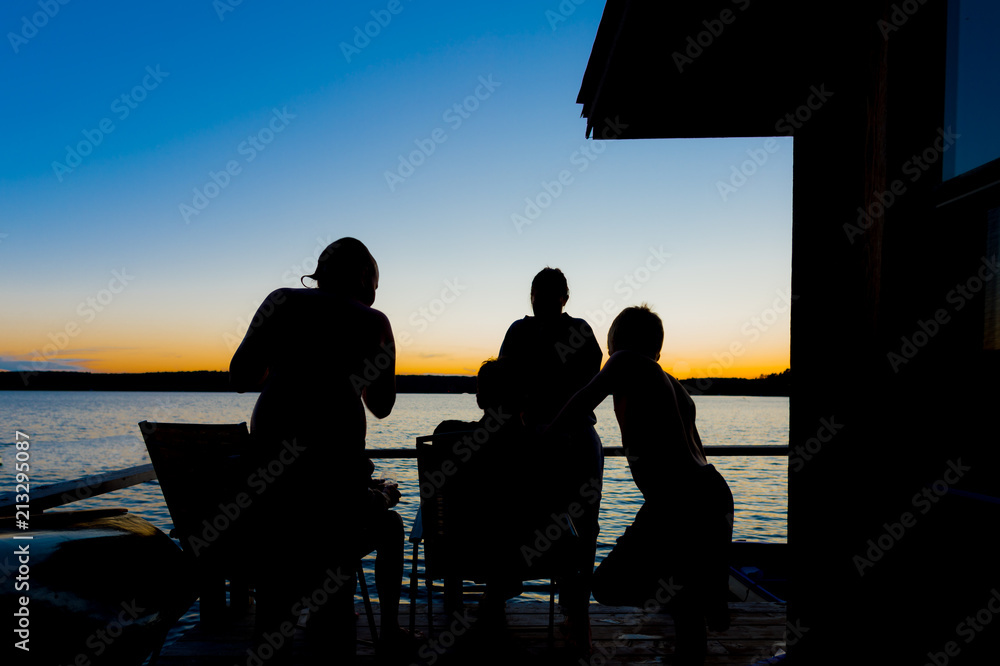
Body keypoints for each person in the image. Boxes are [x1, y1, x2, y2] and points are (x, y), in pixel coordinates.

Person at [229, 237, 410, 663]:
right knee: (375, 521)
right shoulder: (374, 322)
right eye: (376, 283)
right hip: (334, 497)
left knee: (275, 605)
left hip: (268, 497)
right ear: (364, 277)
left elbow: (240, 374)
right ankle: (378, 631)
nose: (375, 294)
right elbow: (382, 406)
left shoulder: (280, 300)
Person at [546, 305, 734, 666]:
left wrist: (544, 439)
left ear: (616, 341)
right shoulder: (672, 385)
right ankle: (700, 597)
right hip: (711, 491)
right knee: (689, 620)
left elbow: (584, 399)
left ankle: (693, 592)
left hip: (678, 498)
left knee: (607, 586)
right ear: (658, 349)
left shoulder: (626, 361)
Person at [497, 267, 603, 654]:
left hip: (573, 439)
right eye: (535, 292)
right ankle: (504, 596)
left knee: (583, 527)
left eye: (547, 292)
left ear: (565, 297)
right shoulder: (518, 331)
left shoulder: (580, 331)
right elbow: (505, 385)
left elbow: (591, 386)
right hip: (531, 439)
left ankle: (576, 613)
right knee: (518, 518)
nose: (539, 298)